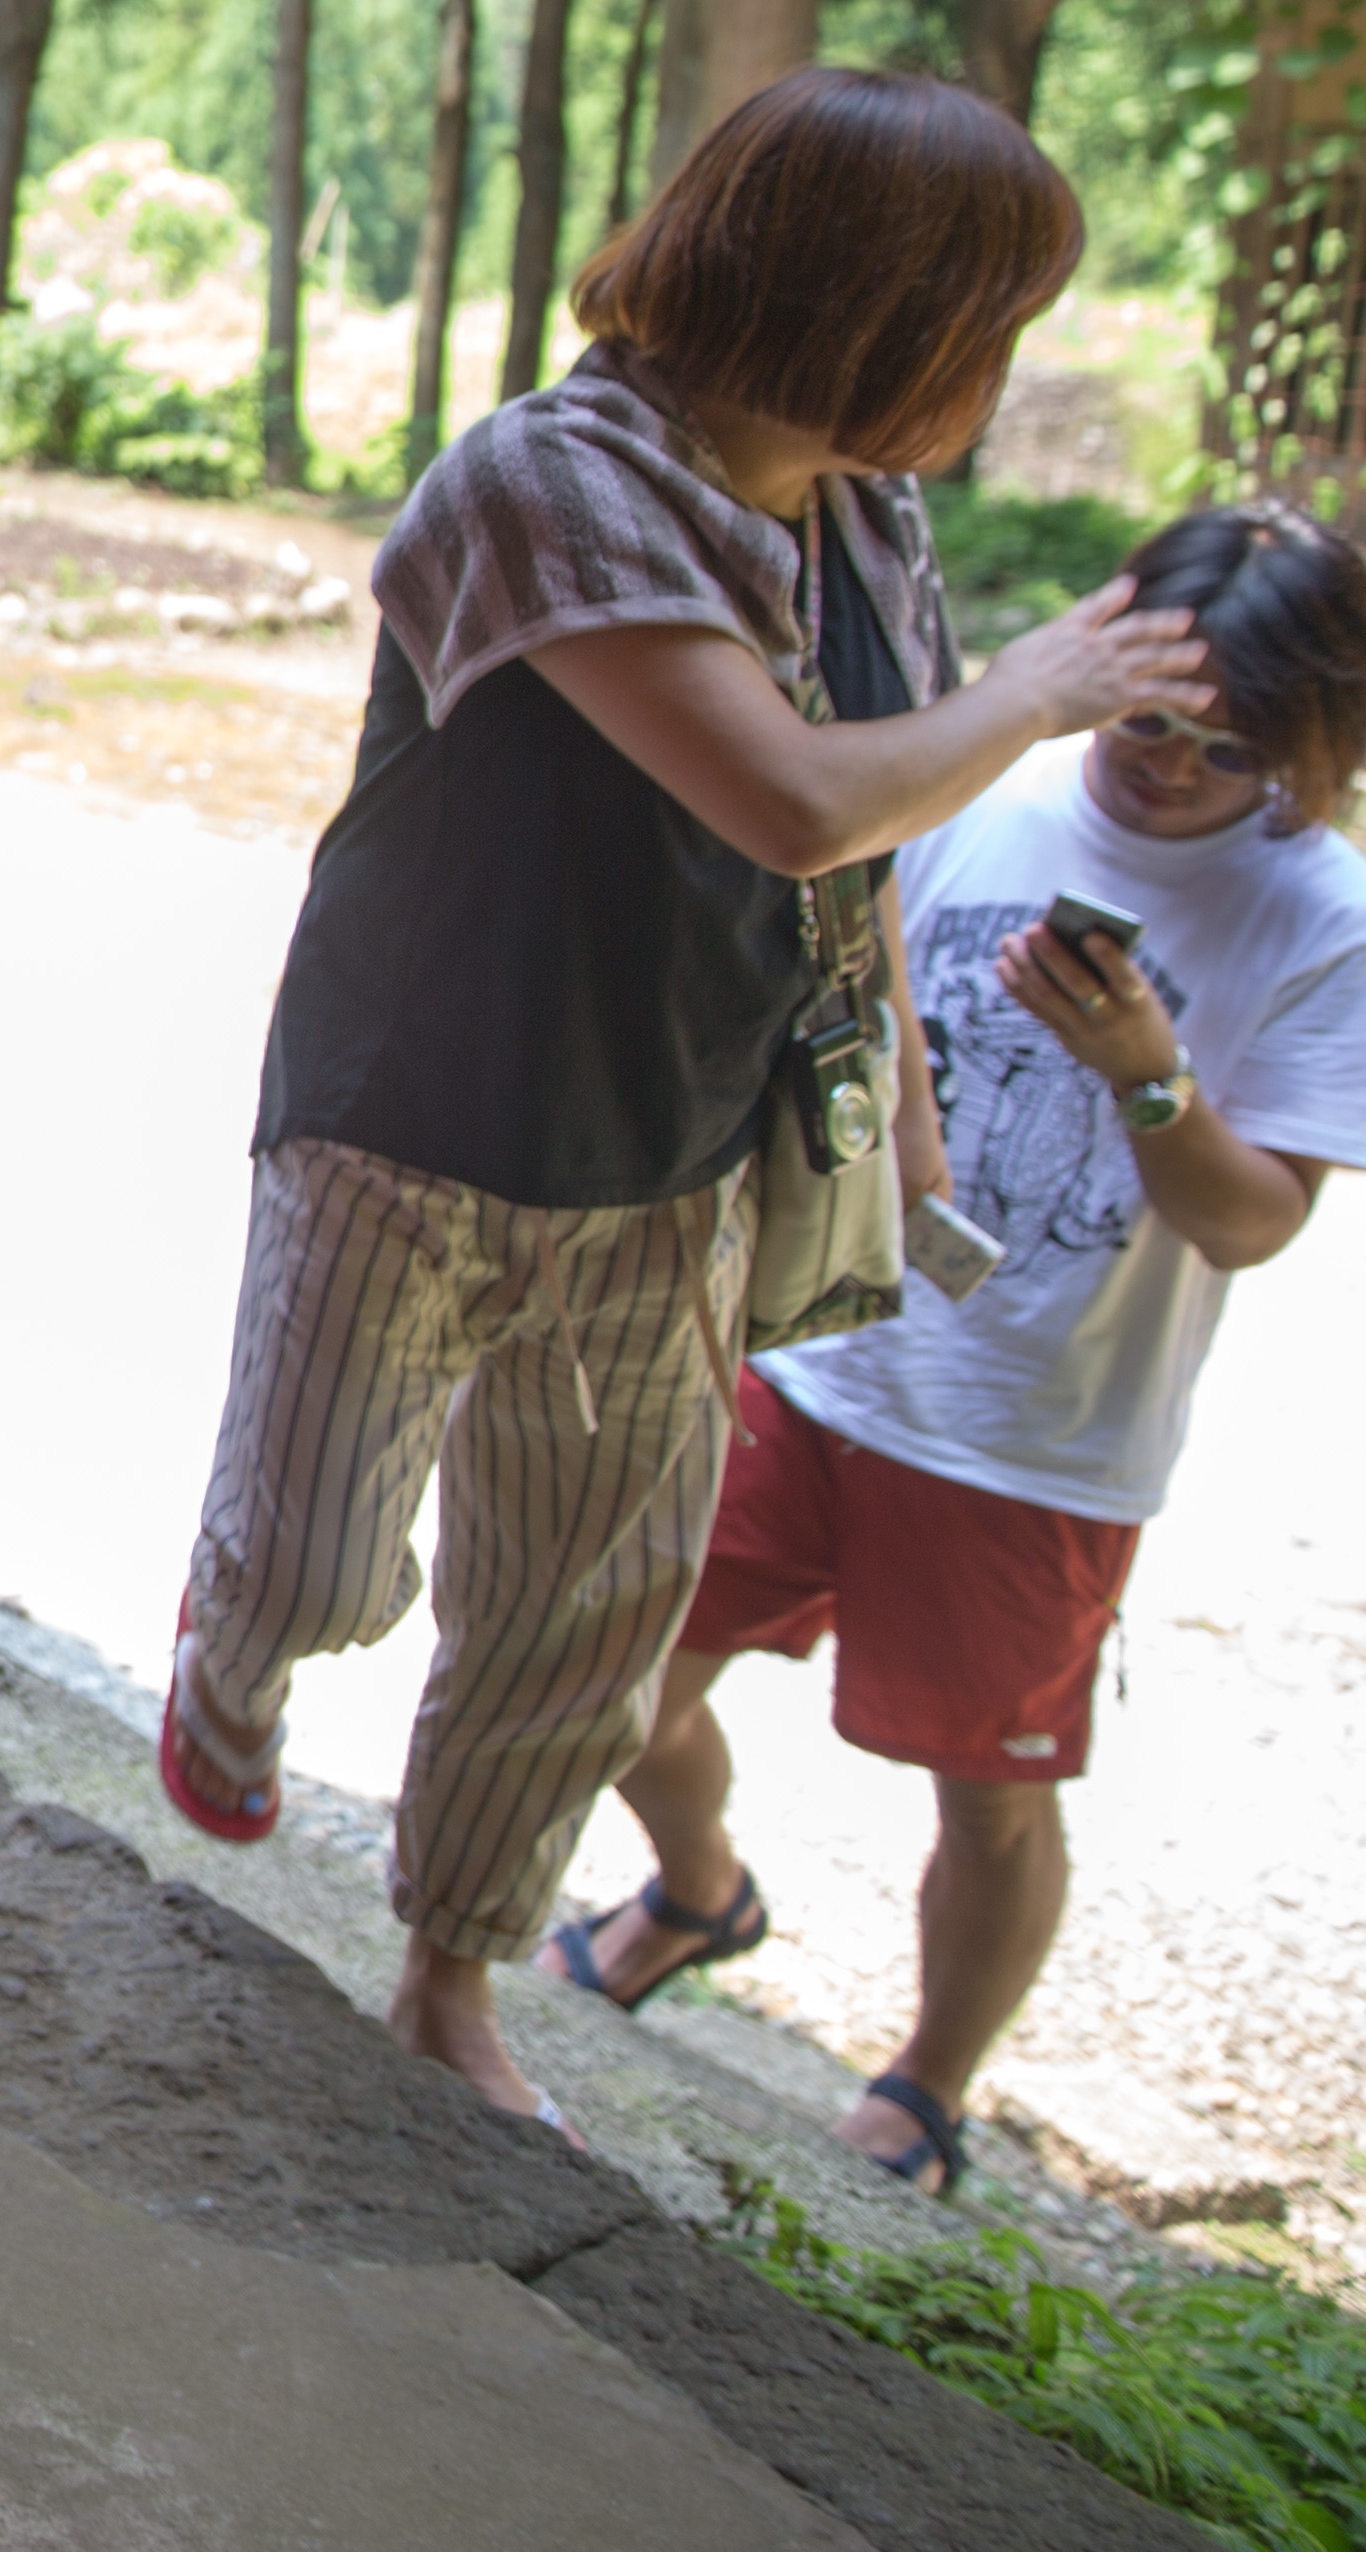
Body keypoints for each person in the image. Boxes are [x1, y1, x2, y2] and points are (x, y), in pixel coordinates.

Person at [157, 66, 1210, 2130]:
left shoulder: (861, 513)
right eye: (982, 326)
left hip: (676, 1150)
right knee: (321, 1556)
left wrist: (897, 1106)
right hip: (412, 1116)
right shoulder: (544, 484)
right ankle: (237, 1636)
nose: (998, 375)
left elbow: (856, 856)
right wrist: (1035, 693)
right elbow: (794, 796)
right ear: (863, 312)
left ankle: (450, 1977)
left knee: (579, 1614)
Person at [551, 504, 1366, 2192]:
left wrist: (1145, 1072)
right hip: (811, 1342)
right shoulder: (979, 784)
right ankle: (698, 1890)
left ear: (1309, 748)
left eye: (1228, 749)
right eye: (1148, 721)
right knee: (616, 1668)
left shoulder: (1321, 917)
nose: (1170, 769)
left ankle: (927, 2086)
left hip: (1036, 1435)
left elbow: (1247, 1224)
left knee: (985, 1794)